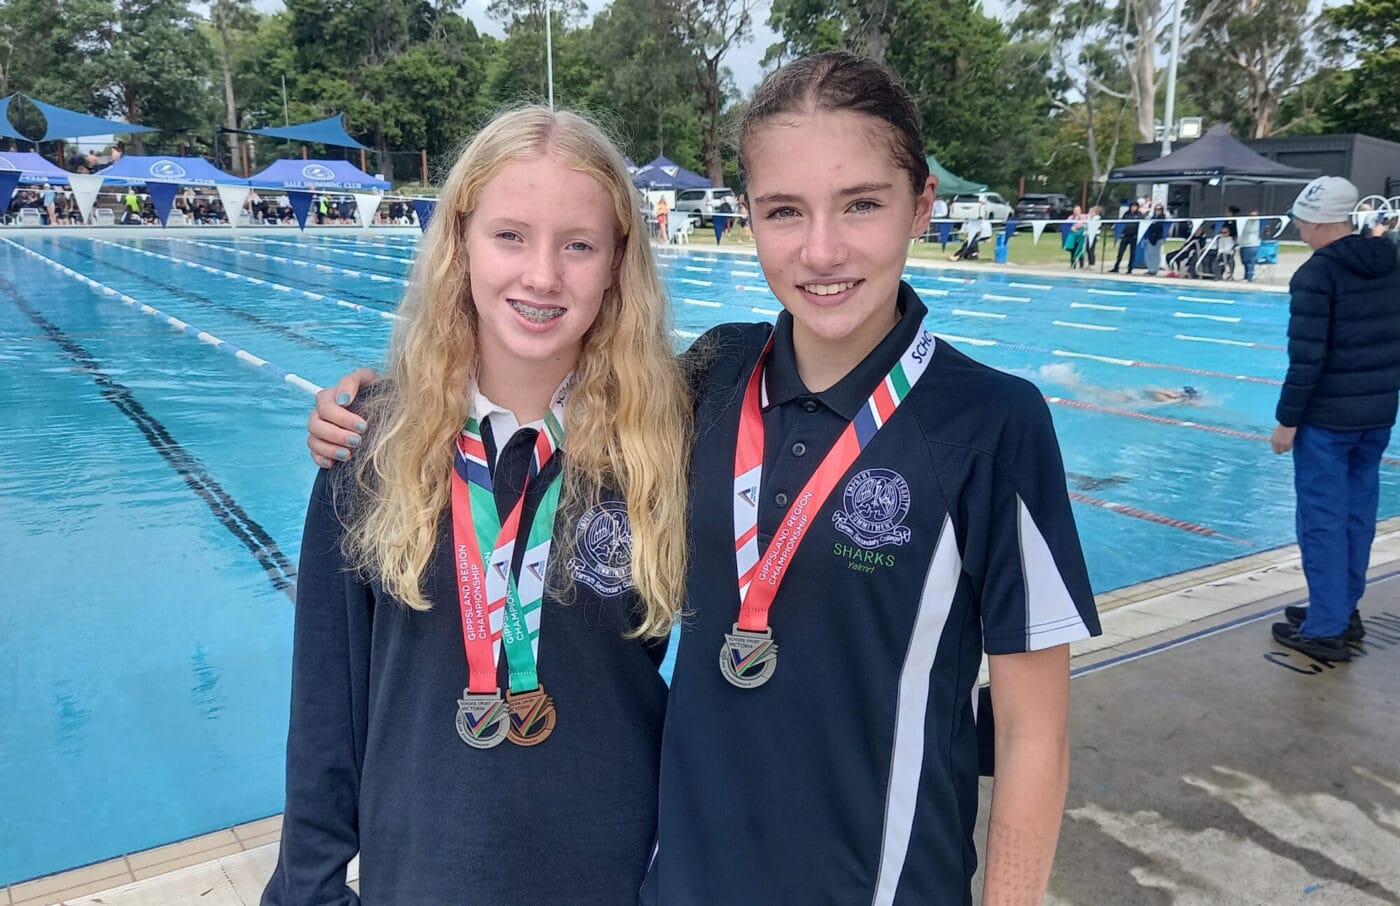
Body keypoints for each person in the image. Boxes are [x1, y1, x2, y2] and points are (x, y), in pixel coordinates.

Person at [310, 53, 1100, 905]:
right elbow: (555, 406)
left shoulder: (990, 425)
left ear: (923, 206)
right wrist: (384, 408)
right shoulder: (710, 382)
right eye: (785, 210)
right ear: (747, 215)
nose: (822, 249)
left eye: (862, 204)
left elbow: (1031, 736)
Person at [264, 106, 692, 904]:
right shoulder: (370, 446)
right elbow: (326, 704)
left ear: (616, 263)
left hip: (613, 874)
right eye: (510, 236)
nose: (542, 275)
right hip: (422, 876)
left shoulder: (665, 445)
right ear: (459, 243)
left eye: (578, 244)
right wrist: (307, 888)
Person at [1269, 176, 1400, 663]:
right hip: (1377, 414)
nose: (1299, 229)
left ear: (1317, 221)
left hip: (1328, 421)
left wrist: (1287, 422)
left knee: (1322, 522)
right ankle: (1343, 610)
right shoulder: (1389, 260)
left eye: (1301, 221)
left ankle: (1325, 630)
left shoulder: (1317, 274)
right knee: (1357, 516)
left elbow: (1308, 359)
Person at [1111, 200, 1143, 273]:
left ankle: (1130, 268)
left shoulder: (1139, 215)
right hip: (1126, 235)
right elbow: (1122, 223)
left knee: (1132, 253)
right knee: (1120, 252)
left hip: (1134, 236)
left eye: (1135, 206)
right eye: (1132, 206)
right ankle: (1116, 267)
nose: (1134, 208)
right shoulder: (1126, 214)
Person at [1141, 202, 1168, 275]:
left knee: (1155, 255)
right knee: (1148, 255)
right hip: (1150, 238)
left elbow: (1160, 227)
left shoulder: (1163, 218)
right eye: (1156, 209)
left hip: (1158, 238)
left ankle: (1154, 270)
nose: (1158, 211)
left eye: (1159, 209)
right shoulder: (1152, 218)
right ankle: (1150, 269)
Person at [1237, 207, 1263, 281]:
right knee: (1244, 261)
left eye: (1254, 216)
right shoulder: (1246, 222)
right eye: (1251, 215)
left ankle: (1249, 277)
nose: (1252, 217)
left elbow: (1249, 231)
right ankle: (1246, 276)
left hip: (1252, 244)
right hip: (1243, 244)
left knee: (1249, 261)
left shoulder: (1257, 223)